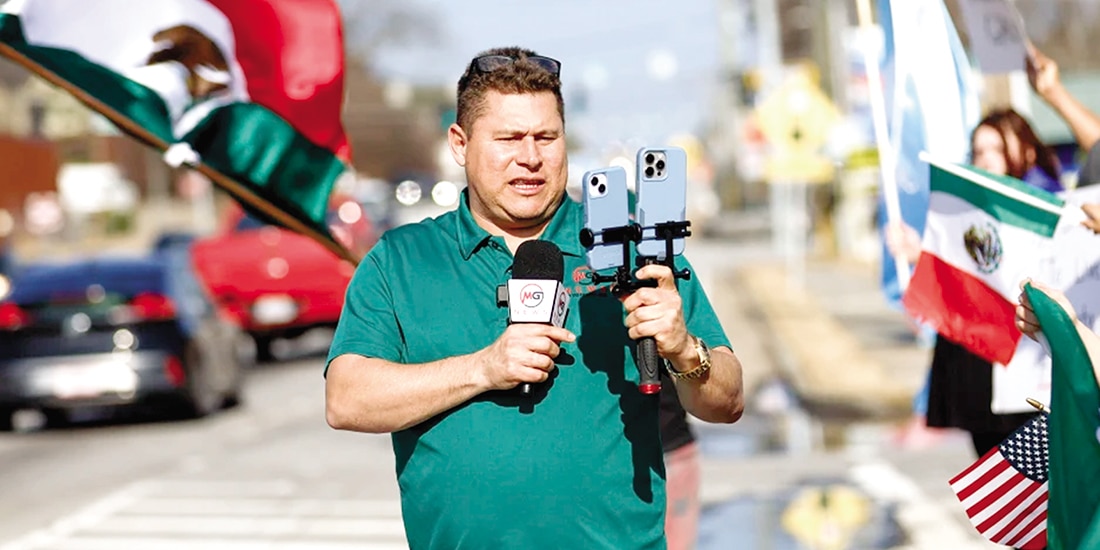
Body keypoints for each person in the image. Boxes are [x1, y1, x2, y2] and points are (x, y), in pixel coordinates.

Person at [324, 46, 745, 549]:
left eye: (546, 137)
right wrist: (483, 368)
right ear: (460, 143)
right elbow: (346, 400)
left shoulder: (636, 249)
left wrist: (683, 349)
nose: (530, 157)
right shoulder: (402, 259)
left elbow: (728, 401)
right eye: (508, 139)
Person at [885, 108, 1058, 457]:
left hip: (1032, 368)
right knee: (994, 476)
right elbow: (966, 271)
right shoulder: (966, 208)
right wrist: (920, 253)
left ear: (1025, 150)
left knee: (1041, 489)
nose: (985, 159)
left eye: (995, 148)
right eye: (978, 151)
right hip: (981, 371)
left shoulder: (1049, 206)